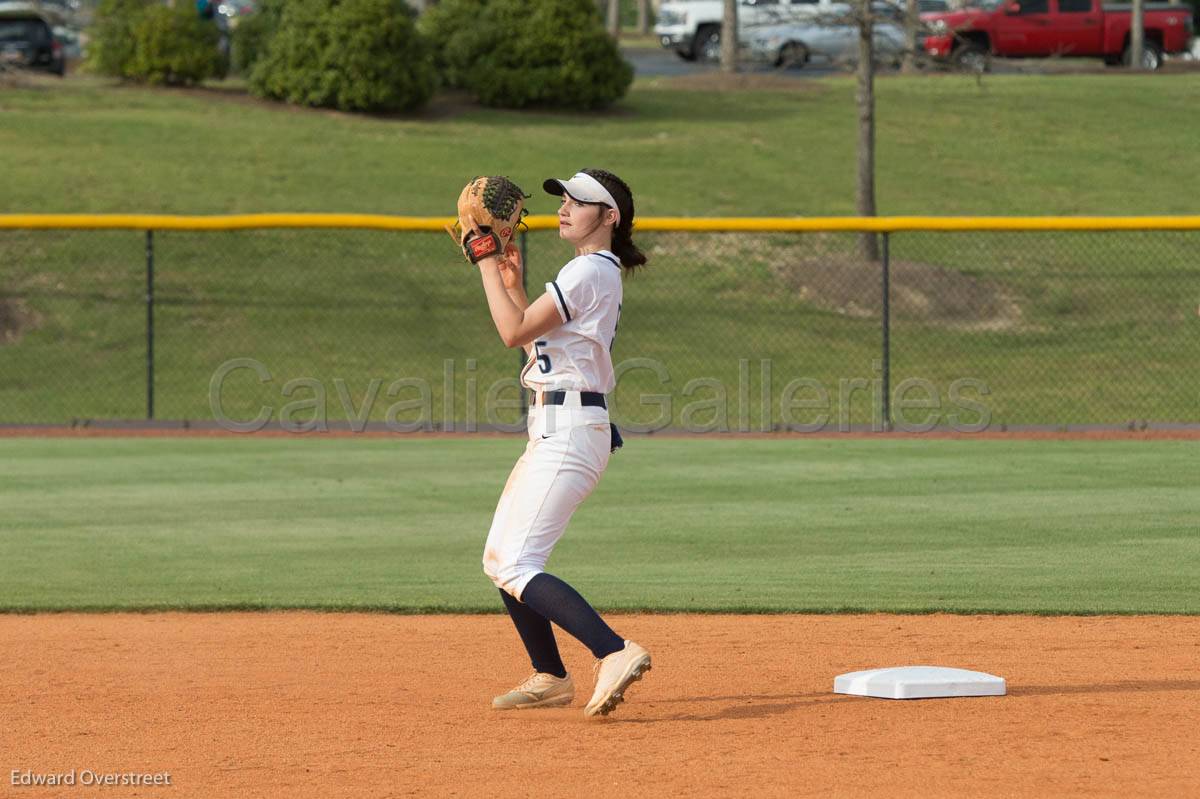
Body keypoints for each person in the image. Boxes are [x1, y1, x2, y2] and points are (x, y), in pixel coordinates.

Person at [472, 169, 651, 718]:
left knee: (517, 563)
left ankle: (614, 650)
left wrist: (483, 264)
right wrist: (511, 285)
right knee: (502, 558)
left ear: (610, 217)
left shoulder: (590, 270)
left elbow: (511, 332)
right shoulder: (588, 271)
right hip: (559, 426)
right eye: (563, 200)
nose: (565, 207)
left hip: (569, 430)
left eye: (580, 201)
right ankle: (549, 675)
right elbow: (541, 343)